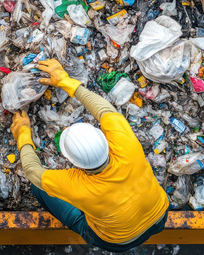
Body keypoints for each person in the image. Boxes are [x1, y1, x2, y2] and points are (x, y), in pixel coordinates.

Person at [10, 59, 169, 252]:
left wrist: (23, 134)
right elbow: (104, 109)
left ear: (72, 161)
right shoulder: (126, 145)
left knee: (40, 188)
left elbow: (32, 171)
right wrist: (65, 80)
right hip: (161, 216)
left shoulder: (78, 186)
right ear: (104, 140)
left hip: (118, 241)